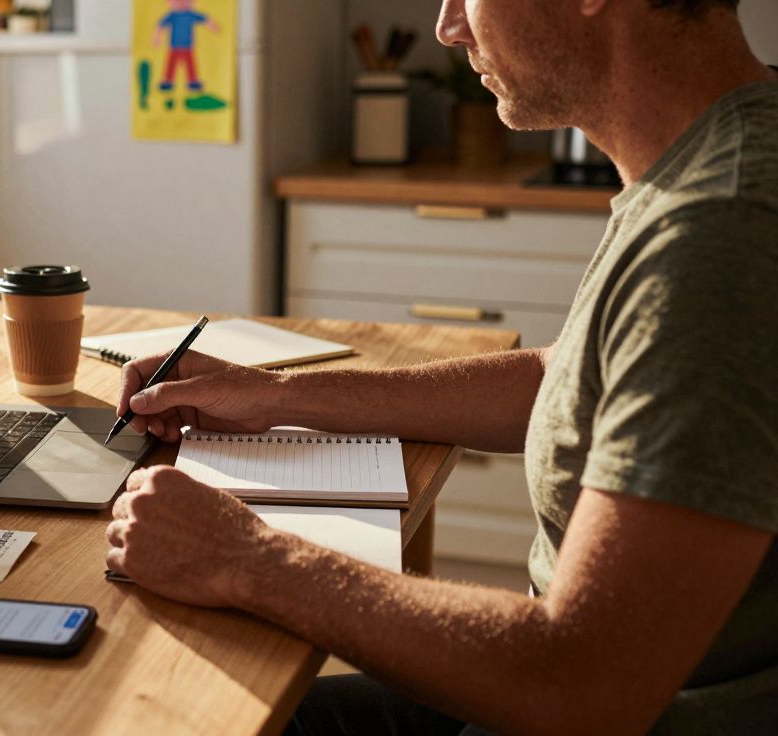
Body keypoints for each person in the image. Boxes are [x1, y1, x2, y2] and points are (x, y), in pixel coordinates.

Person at [106, 0, 778, 732]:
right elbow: (572, 377)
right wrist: (274, 396)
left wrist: (246, 557)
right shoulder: (714, 150)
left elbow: (584, 683)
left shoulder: (720, 233)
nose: (448, 26)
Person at [152, 0, 220, 93]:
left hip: (188, 46)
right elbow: (160, 25)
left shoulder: (191, 14)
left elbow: (204, 18)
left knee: (190, 65)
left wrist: (212, 25)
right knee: (171, 64)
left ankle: (192, 81)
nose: (181, 3)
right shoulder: (172, 15)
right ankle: (168, 81)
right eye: (177, 2)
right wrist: (157, 37)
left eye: (185, 1)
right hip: (174, 46)